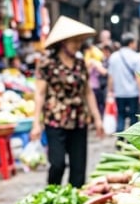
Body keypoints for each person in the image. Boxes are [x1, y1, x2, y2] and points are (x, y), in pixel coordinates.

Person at [30, 16, 104, 188]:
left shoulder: (80, 63)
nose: (78, 45)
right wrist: (36, 123)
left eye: (79, 41)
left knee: (79, 168)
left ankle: (74, 200)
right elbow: (40, 93)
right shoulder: (47, 63)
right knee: (57, 163)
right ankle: (52, 194)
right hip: (55, 119)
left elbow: (88, 92)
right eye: (74, 41)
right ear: (63, 42)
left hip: (79, 119)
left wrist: (97, 118)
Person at [107, 32, 140, 133]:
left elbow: (111, 77)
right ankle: (131, 141)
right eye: (135, 43)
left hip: (119, 92)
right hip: (133, 93)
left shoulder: (114, 56)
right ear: (130, 43)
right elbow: (139, 77)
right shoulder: (136, 57)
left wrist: (110, 91)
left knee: (120, 115)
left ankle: (120, 139)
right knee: (133, 116)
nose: (136, 45)